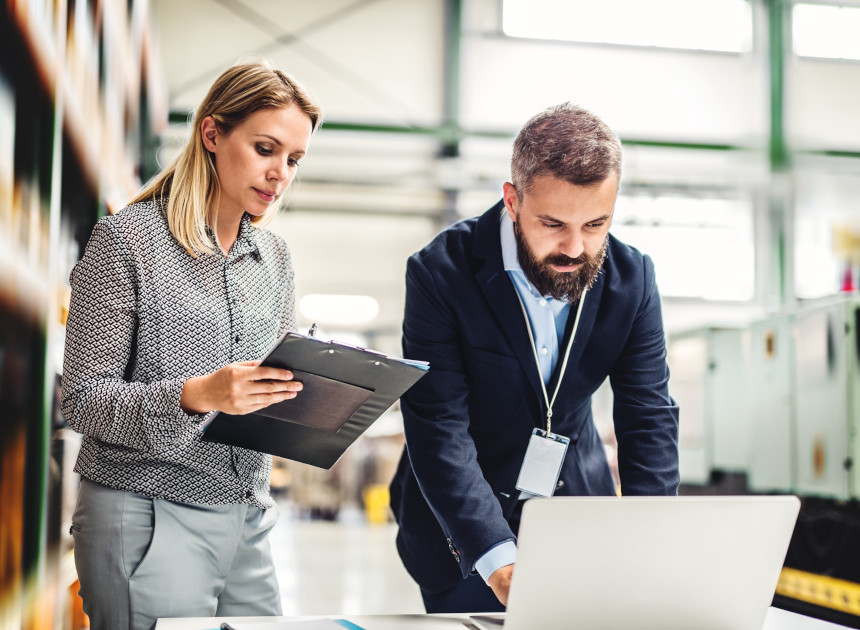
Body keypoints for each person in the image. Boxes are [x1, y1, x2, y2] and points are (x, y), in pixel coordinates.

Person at [388, 103, 680, 613]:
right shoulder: (441, 273)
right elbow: (438, 426)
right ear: (512, 200)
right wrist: (498, 561)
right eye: (553, 223)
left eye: (596, 224)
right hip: (461, 532)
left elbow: (648, 415)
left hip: (576, 514)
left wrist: (649, 540)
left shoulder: (632, 280)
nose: (575, 248)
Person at [61, 62, 321, 630]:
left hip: (248, 516)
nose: (279, 173)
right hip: (146, 513)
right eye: (265, 149)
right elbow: (81, 400)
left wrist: (318, 398)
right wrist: (198, 394)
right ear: (211, 134)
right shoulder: (127, 241)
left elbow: (267, 392)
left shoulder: (273, 259)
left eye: (293, 160)